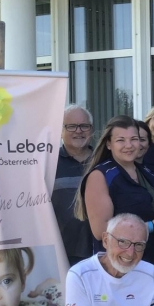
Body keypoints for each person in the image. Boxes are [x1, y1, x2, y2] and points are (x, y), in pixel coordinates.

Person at [75, 115, 154, 280]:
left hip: (152, 267)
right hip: (118, 272)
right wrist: (152, 227)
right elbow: (101, 231)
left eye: (134, 139)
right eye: (120, 140)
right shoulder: (100, 176)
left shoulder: (146, 173)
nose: (129, 145)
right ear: (109, 144)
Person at [53, 105, 94, 267]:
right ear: (60, 130)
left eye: (84, 126)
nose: (78, 131)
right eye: (71, 126)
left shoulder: (104, 160)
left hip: (101, 250)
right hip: (62, 253)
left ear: (91, 129)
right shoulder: (49, 163)